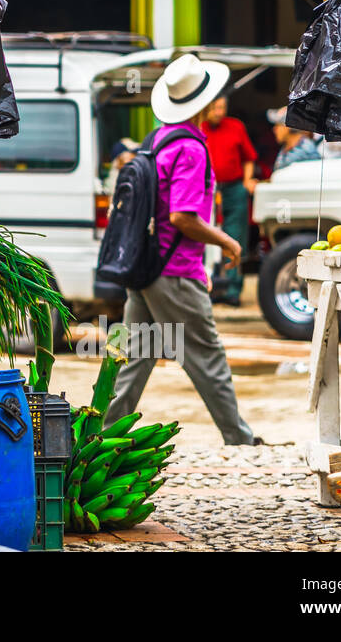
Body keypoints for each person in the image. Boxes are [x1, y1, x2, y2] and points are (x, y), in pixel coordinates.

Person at [105, 54, 258, 446]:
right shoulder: (191, 149)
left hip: (145, 266)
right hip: (173, 271)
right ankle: (240, 438)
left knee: (133, 356)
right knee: (207, 355)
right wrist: (226, 241)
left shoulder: (156, 140)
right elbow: (182, 217)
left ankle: (101, 435)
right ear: (203, 103)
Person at [199, 96, 257, 306]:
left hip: (233, 188)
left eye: (222, 107)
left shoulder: (235, 127)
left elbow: (249, 158)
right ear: (207, 108)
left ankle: (233, 289)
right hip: (206, 190)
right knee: (204, 238)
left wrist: (247, 180)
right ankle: (208, 286)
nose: (218, 112)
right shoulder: (199, 128)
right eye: (214, 107)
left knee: (235, 237)